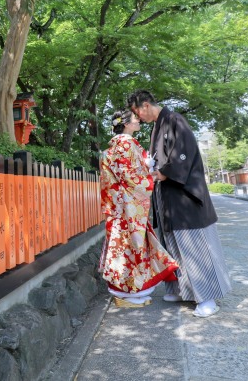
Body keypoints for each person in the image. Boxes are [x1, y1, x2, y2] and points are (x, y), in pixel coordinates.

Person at [128, 90, 231, 318]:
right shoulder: (158, 127)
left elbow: (183, 155)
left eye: (137, 112)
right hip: (168, 198)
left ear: (145, 105)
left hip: (185, 199)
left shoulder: (174, 120)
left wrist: (163, 172)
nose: (138, 118)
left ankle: (207, 298)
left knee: (194, 248)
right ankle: (181, 290)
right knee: (172, 246)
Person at [99, 109, 179, 308]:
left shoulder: (117, 145)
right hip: (128, 207)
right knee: (130, 247)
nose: (139, 121)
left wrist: (146, 169)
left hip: (121, 206)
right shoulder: (125, 144)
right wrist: (151, 177)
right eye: (135, 119)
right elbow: (129, 177)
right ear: (126, 123)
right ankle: (128, 293)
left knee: (125, 247)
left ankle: (131, 292)